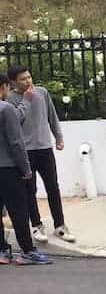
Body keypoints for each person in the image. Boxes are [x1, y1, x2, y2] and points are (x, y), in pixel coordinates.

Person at [6, 65, 75, 244]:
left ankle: (60, 225)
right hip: (26, 151)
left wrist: (58, 137)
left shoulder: (42, 93)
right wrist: (26, 100)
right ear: (13, 82)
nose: (28, 81)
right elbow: (15, 122)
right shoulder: (10, 99)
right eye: (23, 79)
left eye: (29, 77)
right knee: (30, 190)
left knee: (53, 187)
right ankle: (37, 225)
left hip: (45, 148)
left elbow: (52, 116)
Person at [0, 73, 51, 265]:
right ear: (5, 87)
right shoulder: (6, 109)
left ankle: (3, 250)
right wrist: (26, 168)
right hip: (9, 168)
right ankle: (27, 251)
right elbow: (16, 142)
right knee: (19, 210)